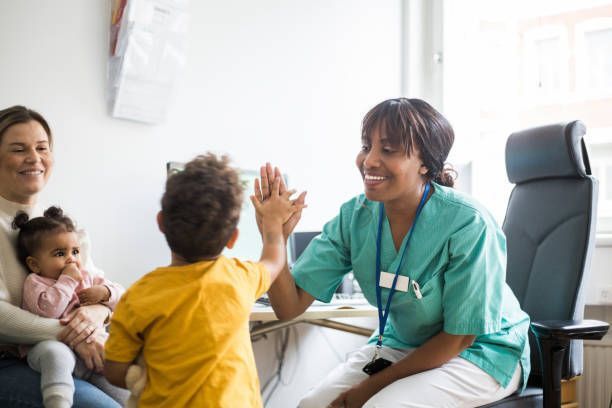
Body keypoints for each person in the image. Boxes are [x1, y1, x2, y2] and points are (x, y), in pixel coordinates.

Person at [255, 98, 531, 407]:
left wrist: (368, 389)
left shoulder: (467, 223)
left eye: (388, 150)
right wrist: (274, 234)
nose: (369, 161)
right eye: (366, 147)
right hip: (403, 344)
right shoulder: (355, 217)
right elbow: (288, 307)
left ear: (425, 162)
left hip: (480, 352)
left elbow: (459, 337)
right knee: (313, 405)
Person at [104, 153, 304, 407]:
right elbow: (274, 260)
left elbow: (113, 371)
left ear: (161, 223)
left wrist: (142, 376)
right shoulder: (239, 278)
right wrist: (273, 222)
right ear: (232, 238)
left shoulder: (137, 295)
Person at [0, 105, 127, 407]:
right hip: (12, 359)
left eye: (42, 148)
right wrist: (75, 333)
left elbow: (96, 294)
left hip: (75, 350)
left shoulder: (64, 229)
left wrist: (97, 313)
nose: (34, 158)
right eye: (19, 149)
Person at [13, 206, 125, 408]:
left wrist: (106, 293)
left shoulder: (87, 276)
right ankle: (58, 403)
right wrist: (67, 281)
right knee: (55, 355)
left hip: (92, 352)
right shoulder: (35, 282)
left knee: (121, 355)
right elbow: (48, 311)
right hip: (50, 348)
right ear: (35, 264)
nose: (71, 258)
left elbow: (123, 297)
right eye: (59, 253)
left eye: (75, 251)